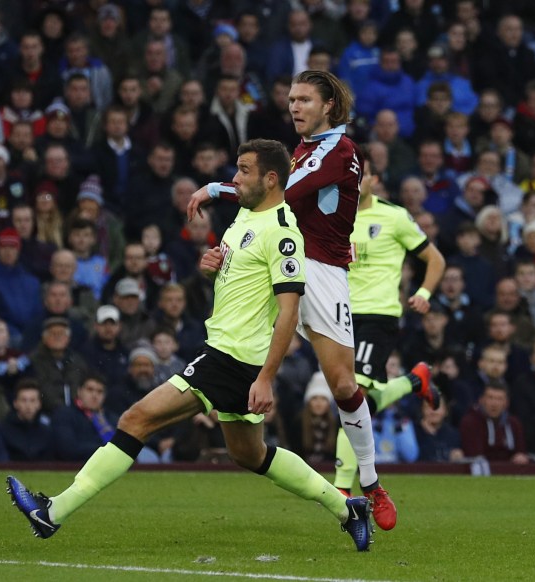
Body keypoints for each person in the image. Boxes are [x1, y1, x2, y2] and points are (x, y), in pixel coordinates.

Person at [7, 139, 373, 551]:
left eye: (244, 171)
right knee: (250, 456)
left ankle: (52, 512)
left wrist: (267, 377)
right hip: (231, 355)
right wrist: (212, 268)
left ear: (272, 179)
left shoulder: (284, 234)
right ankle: (348, 509)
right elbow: (242, 283)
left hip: (232, 360)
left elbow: (289, 311)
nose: (235, 178)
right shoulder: (245, 217)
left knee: (135, 419)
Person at [187, 70, 396, 530]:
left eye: (304, 100)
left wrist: (216, 188)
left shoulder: (339, 151)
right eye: (291, 100)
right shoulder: (302, 149)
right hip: (278, 262)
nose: (294, 107)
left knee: (343, 384)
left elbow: (282, 192)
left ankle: (371, 482)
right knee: (229, 336)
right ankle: (201, 399)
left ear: (329, 107)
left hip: (321, 272)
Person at [332, 163, 444, 493]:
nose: (354, 182)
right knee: (358, 401)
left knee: (352, 398)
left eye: (360, 175)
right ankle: (414, 381)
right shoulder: (333, 216)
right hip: (339, 317)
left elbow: (435, 260)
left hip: (379, 316)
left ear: (374, 180)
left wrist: (423, 293)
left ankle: (342, 489)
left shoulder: (394, 217)